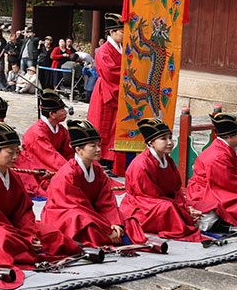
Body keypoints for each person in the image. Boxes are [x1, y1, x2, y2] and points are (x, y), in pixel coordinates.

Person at [0, 119, 79, 268]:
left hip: (12, 226)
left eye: (17, 152)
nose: (15, 157)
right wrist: (24, 237)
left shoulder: (13, 176)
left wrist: (30, 234)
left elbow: (24, 210)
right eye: (10, 153)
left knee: (51, 233)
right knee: (2, 241)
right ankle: (26, 248)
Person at [41, 120, 124, 248]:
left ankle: (109, 235)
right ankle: (107, 236)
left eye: (99, 145)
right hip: (63, 213)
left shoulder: (97, 171)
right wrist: (106, 227)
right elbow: (76, 205)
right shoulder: (68, 174)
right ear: (79, 150)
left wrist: (114, 222)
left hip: (89, 212)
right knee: (82, 220)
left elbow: (106, 200)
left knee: (127, 220)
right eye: (93, 146)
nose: (98, 150)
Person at [121, 118, 202, 242]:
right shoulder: (141, 165)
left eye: (170, 137)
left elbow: (176, 189)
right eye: (164, 139)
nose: (170, 142)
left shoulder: (167, 160)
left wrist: (184, 206)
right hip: (142, 205)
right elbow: (150, 195)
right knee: (168, 208)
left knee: (202, 205)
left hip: (163, 201)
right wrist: (182, 209)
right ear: (151, 143)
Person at [188, 112, 237, 233]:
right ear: (229, 136)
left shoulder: (227, 146)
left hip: (220, 187)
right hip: (207, 193)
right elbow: (228, 185)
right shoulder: (218, 156)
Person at [16, 90, 70, 193]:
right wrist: (71, 170)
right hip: (38, 165)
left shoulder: (61, 129)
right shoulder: (37, 133)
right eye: (62, 109)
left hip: (53, 164)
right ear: (52, 114)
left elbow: (69, 152)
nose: (65, 112)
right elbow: (50, 158)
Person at [88, 14, 124, 169]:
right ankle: (103, 157)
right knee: (104, 126)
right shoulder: (103, 51)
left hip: (117, 90)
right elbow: (111, 72)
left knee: (116, 127)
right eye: (122, 31)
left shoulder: (123, 49)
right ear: (112, 32)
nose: (125, 34)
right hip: (107, 91)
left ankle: (113, 157)